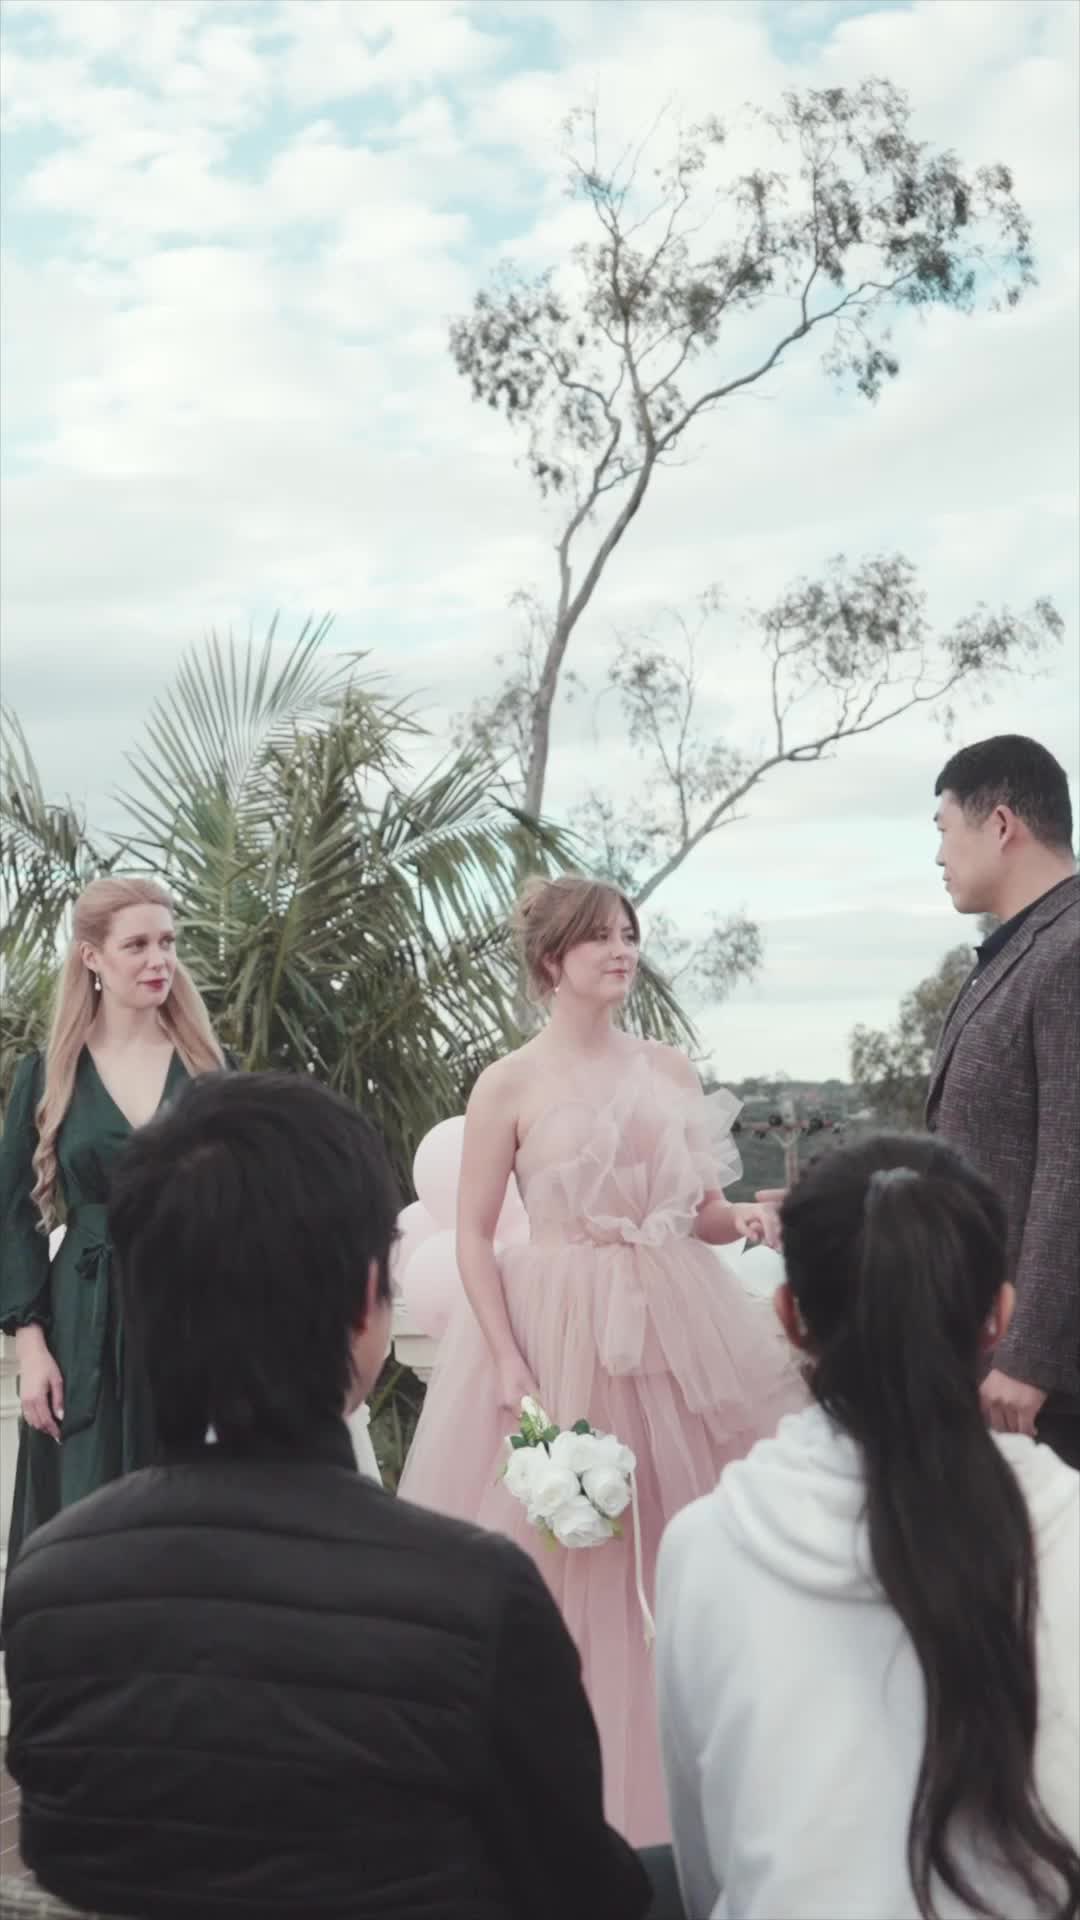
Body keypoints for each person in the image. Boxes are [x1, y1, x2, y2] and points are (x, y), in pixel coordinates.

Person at [2, 1070, 654, 1920]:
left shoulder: (48, 1589)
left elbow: (64, 1858)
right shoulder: (477, 1597)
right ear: (365, 1304)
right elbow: (582, 1892)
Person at [398, 874, 806, 1844]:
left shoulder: (668, 1069)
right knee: (568, 1550)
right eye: (601, 938)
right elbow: (473, 1237)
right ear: (553, 960)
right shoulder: (507, 1084)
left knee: (683, 1535)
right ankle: (571, 1799)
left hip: (676, 1325)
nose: (623, 951)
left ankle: (694, 1790)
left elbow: (701, 1213)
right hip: (560, 1330)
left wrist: (749, 1221)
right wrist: (506, 1359)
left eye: (629, 935)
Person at [656, 1133, 1080, 1920]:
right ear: (999, 1314)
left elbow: (707, 1862)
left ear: (790, 1315)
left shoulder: (706, 1545)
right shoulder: (1070, 1524)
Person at [0, 875, 226, 1560]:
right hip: (83, 1322)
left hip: (189, 1315)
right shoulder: (49, 1073)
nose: (159, 960)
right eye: (138, 945)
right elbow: (13, 1214)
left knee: (188, 1515)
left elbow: (248, 1214)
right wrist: (31, 1346)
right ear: (92, 956)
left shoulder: (211, 1071)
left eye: (168, 943)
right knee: (83, 1523)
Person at [929, 735, 1079, 1466]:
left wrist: (1029, 1357)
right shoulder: (1023, 948)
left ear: (999, 824)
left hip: (1045, 1384)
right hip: (992, 1351)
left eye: (944, 829)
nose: (938, 856)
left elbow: (1071, 1165)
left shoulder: (1071, 950)